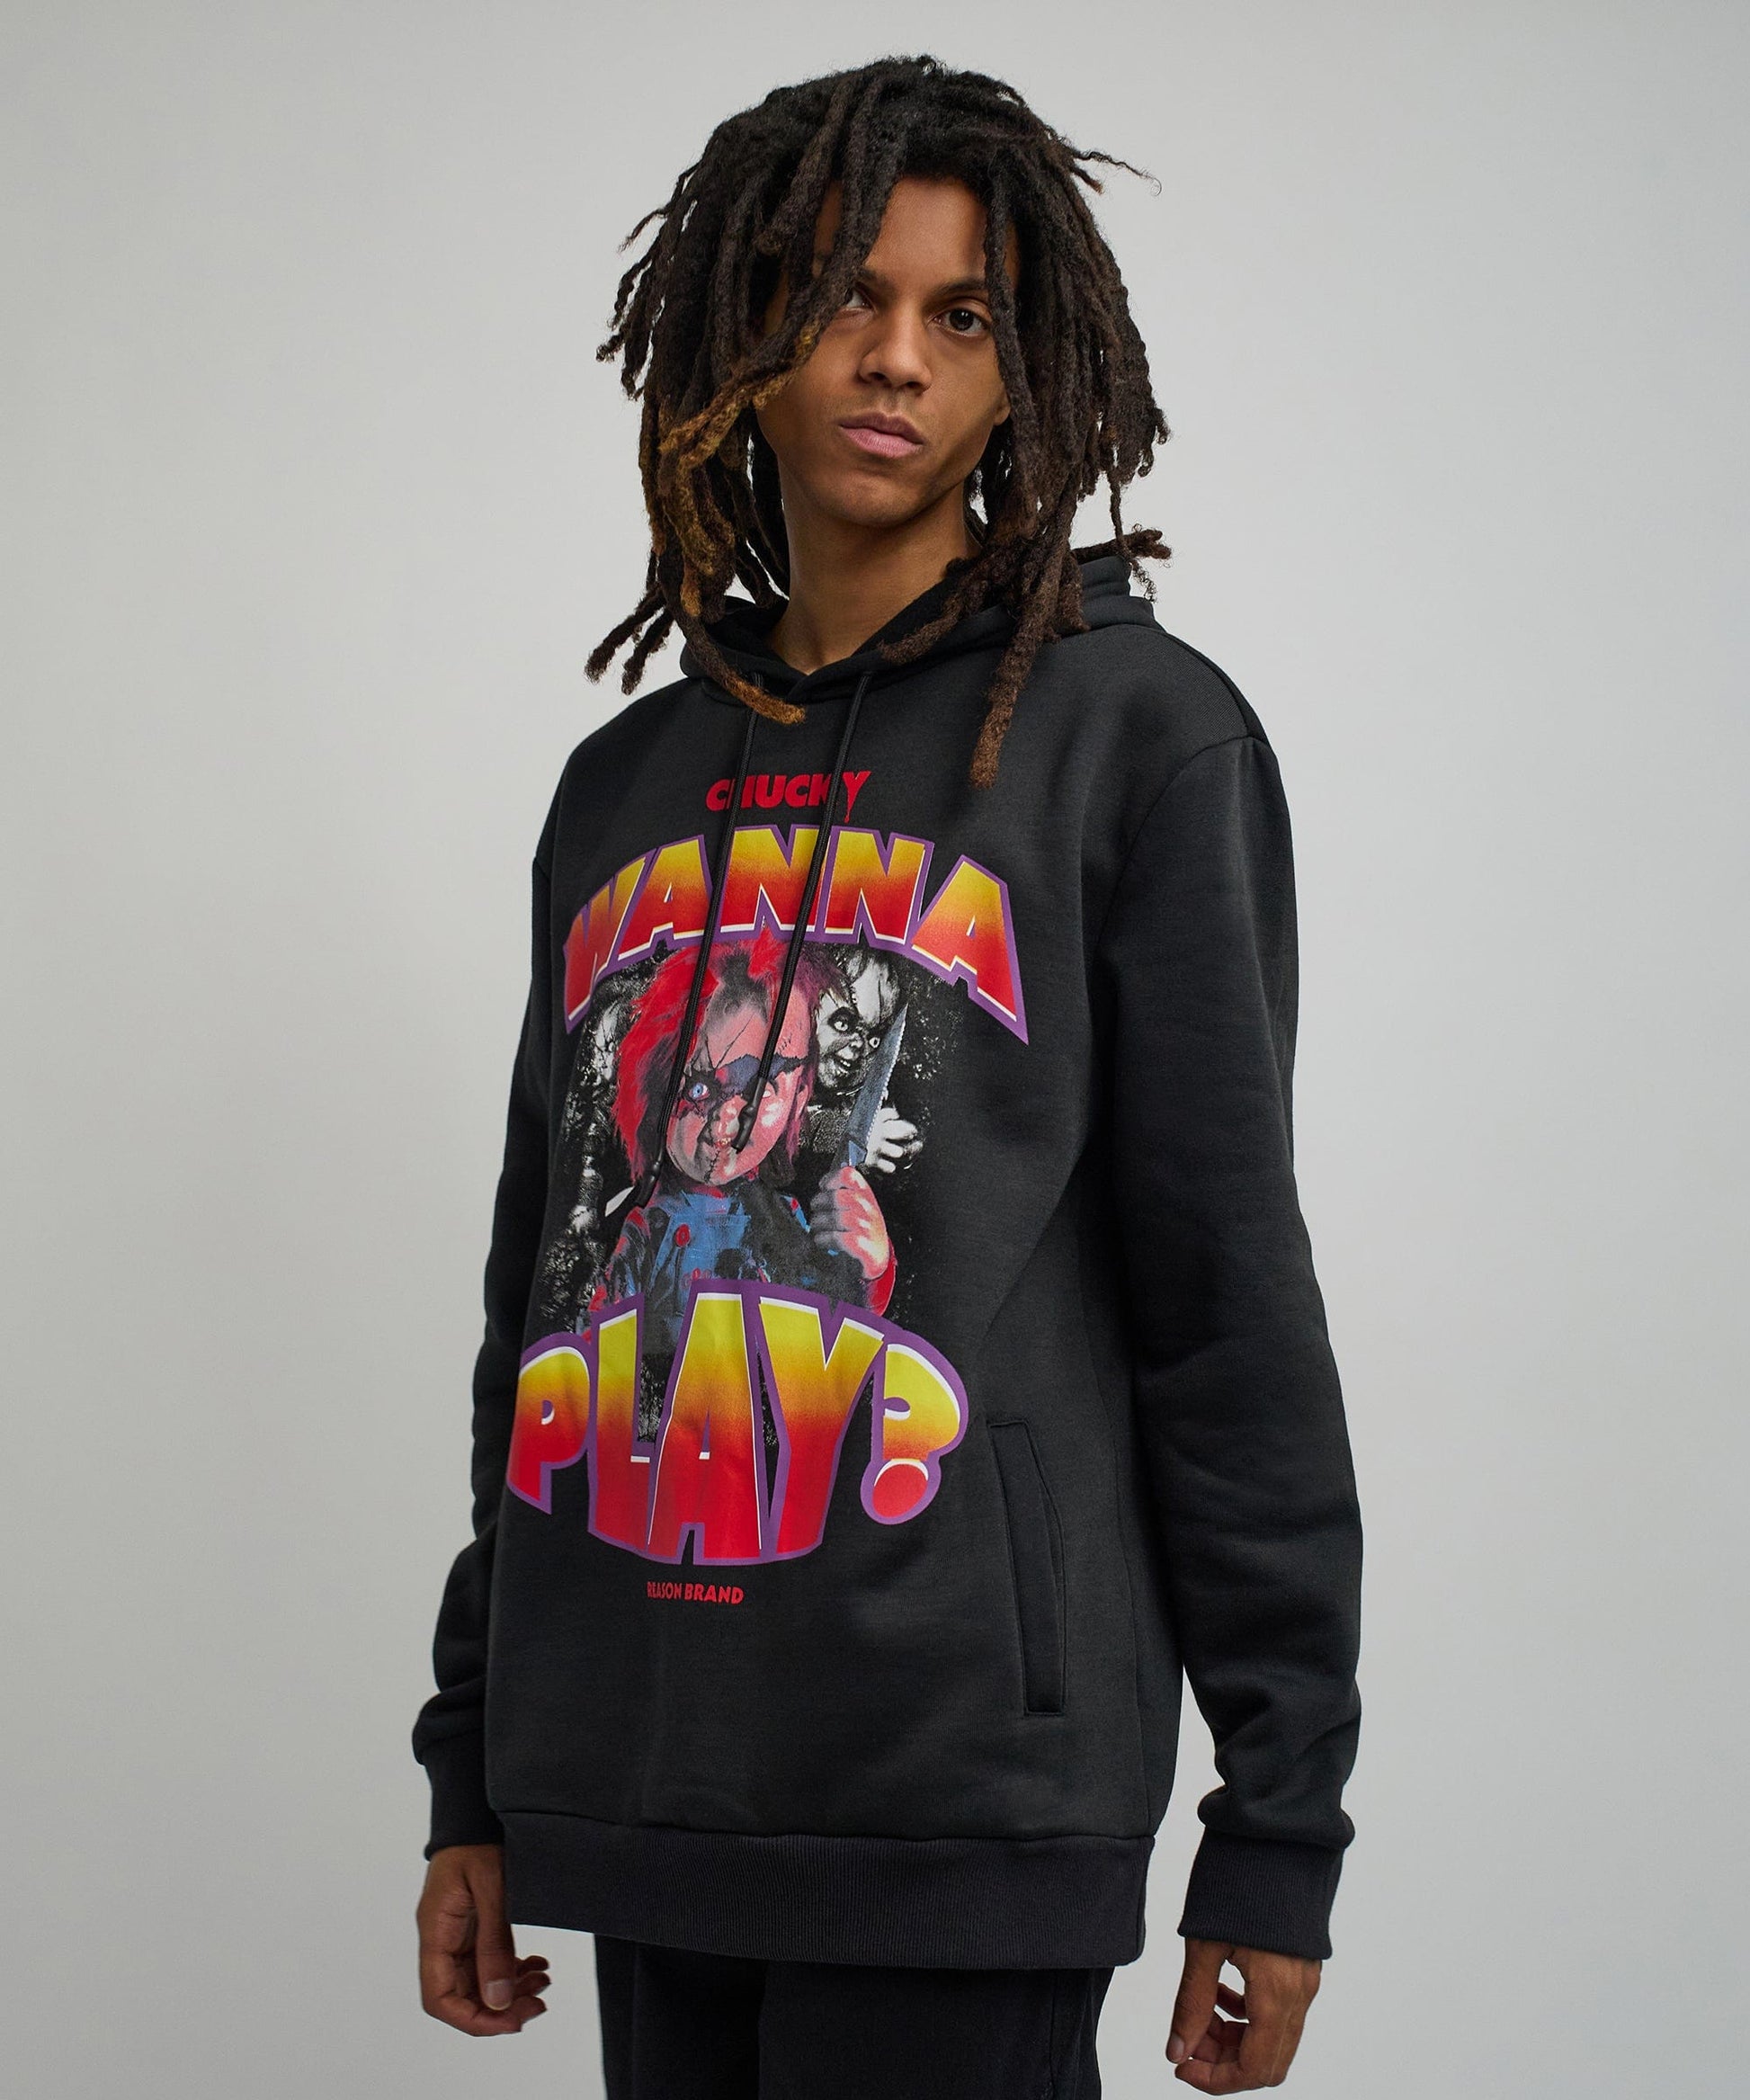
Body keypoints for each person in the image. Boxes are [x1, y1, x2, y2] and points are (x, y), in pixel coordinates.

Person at [412, 53, 1362, 2099]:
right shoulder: (620, 785)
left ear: (1026, 379)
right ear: (739, 343)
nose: (897, 357)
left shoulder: (1139, 743)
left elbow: (1223, 1304)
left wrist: (1277, 1823)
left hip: (962, 1795)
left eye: (962, 315)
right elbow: (537, 1288)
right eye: (846, 295)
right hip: (640, 1773)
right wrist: (473, 1760)